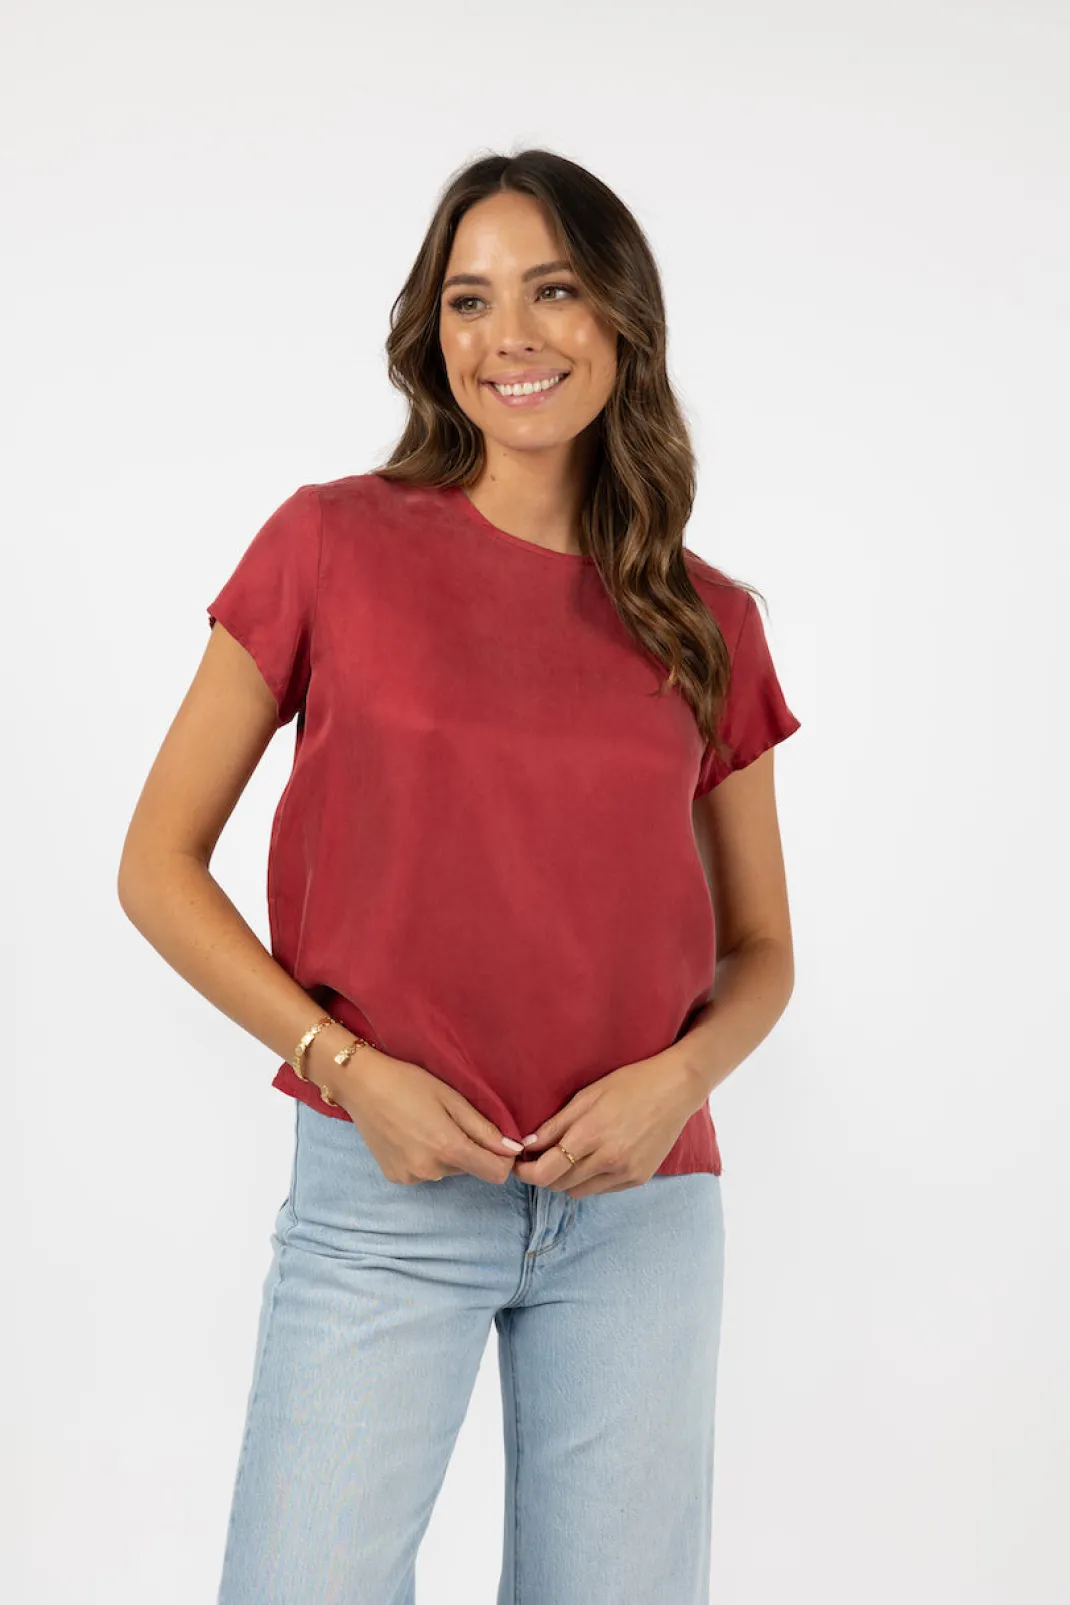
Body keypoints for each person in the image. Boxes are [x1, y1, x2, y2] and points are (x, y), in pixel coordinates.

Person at [117, 148, 802, 1605]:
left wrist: (675, 1085)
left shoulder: (705, 620)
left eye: (552, 290)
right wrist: (345, 1067)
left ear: (619, 317)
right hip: (384, 1196)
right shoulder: (330, 544)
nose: (511, 337)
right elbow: (156, 865)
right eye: (469, 301)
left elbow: (762, 951)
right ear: (432, 336)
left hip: (638, 1211)